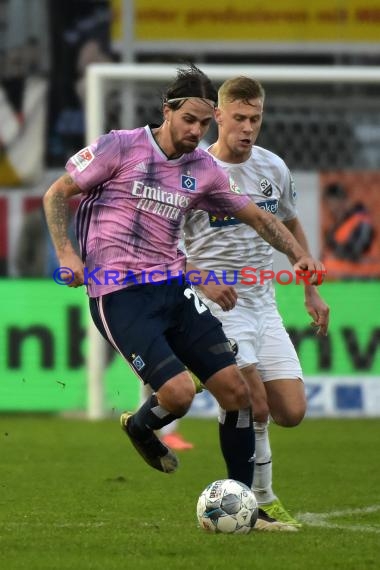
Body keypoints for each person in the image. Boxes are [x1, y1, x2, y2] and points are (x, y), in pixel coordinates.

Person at [43, 64, 324, 530]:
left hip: (174, 288)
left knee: (237, 393)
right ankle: (140, 424)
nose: (196, 131)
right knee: (177, 395)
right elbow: (58, 193)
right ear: (167, 111)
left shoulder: (203, 169)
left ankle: (248, 511)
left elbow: (259, 218)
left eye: (203, 124)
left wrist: (298, 255)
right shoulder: (119, 146)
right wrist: (67, 254)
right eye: (189, 120)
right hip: (120, 293)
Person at [183, 76, 330, 530]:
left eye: (256, 118)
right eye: (240, 118)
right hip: (216, 304)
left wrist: (309, 284)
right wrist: (201, 280)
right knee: (252, 403)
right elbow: (163, 246)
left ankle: (202, 374)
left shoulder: (273, 168)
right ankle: (260, 501)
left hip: (263, 303)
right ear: (219, 117)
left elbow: (290, 226)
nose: (248, 128)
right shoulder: (192, 171)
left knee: (291, 411)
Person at [322, 182, 380, 279]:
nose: (332, 208)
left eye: (334, 202)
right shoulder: (338, 225)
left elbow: (355, 251)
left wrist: (334, 247)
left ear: (344, 201)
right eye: (329, 204)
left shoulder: (362, 220)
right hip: (345, 276)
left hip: (365, 277)